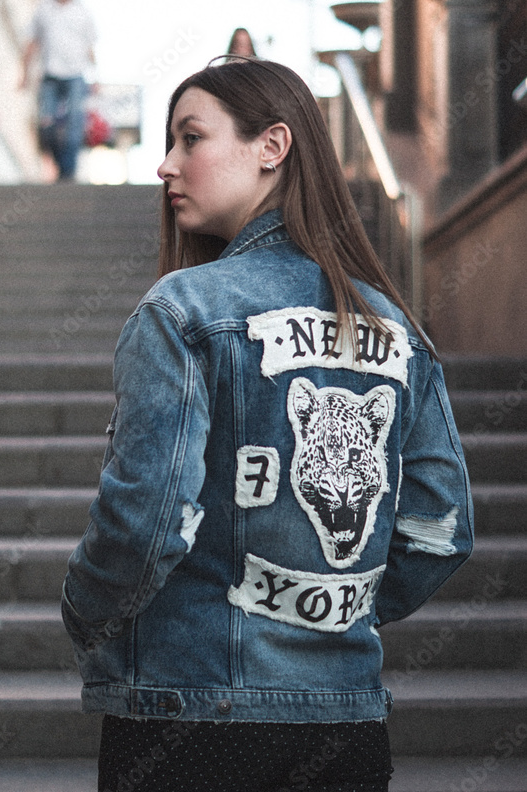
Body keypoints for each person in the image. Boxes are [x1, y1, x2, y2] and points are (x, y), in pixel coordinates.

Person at [62, 57, 473, 792]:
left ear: (272, 146)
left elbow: (145, 522)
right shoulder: (396, 329)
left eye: (191, 138)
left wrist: (83, 611)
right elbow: (440, 529)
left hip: (190, 717)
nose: (165, 165)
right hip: (346, 725)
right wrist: (328, 610)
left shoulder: (182, 311)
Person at [21, 0, 97, 180]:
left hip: (75, 75)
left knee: (74, 123)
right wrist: (24, 73)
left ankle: (67, 172)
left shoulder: (81, 11)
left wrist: (95, 77)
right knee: (46, 123)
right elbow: (32, 42)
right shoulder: (44, 9)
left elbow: (90, 47)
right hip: (50, 75)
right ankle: (58, 161)